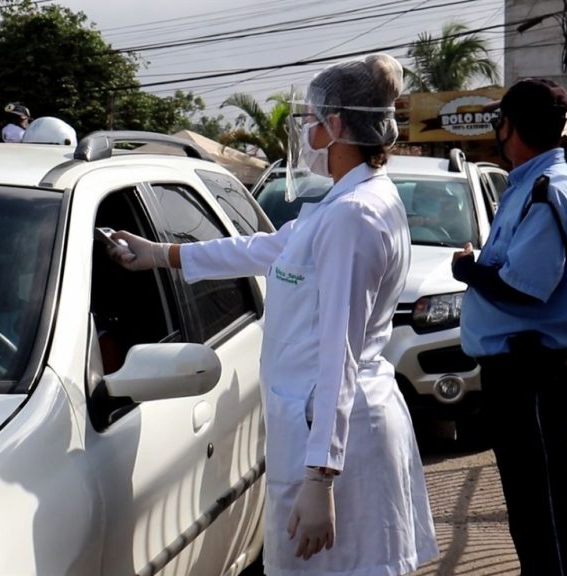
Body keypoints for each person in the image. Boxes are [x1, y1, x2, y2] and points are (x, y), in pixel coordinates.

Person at [109, 54, 437, 575]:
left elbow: (339, 352)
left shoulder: (354, 216)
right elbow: (266, 248)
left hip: (335, 443)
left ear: (336, 126)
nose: (305, 132)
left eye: (311, 120)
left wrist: (321, 477)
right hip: (323, 429)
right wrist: (162, 254)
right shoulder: (345, 204)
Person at [451, 78, 567, 575]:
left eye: (499, 120)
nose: (497, 130)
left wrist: (468, 271)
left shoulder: (547, 191)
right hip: (518, 372)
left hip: (532, 372)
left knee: (546, 512)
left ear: (510, 126)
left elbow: (525, 288)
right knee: (532, 511)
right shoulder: (528, 184)